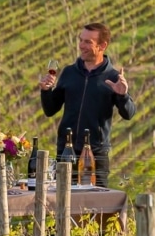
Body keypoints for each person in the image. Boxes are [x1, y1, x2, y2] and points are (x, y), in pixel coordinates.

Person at [40, 22, 135, 188]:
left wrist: (123, 95)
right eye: (81, 40)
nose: (81, 46)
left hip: (96, 154)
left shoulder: (113, 77)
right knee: (63, 204)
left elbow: (129, 114)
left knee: (97, 208)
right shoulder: (69, 72)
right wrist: (46, 91)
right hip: (66, 151)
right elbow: (50, 110)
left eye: (87, 42)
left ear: (102, 45)